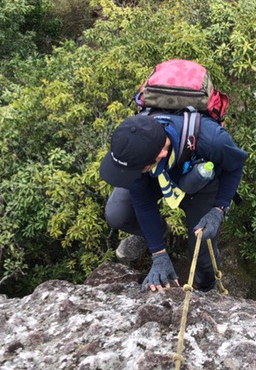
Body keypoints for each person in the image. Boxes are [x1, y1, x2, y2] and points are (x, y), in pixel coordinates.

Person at [99, 110, 247, 293]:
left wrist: (219, 209)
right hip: (158, 178)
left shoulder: (212, 140)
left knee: (203, 254)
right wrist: (158, 253)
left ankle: (206, 288)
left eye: (136, 170)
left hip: (201, 185)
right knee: (118, 214)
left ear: (161, 152)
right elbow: (142, 201)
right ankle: (159, 232)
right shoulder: (135, 149)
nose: (131, 175)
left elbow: (235, 166)